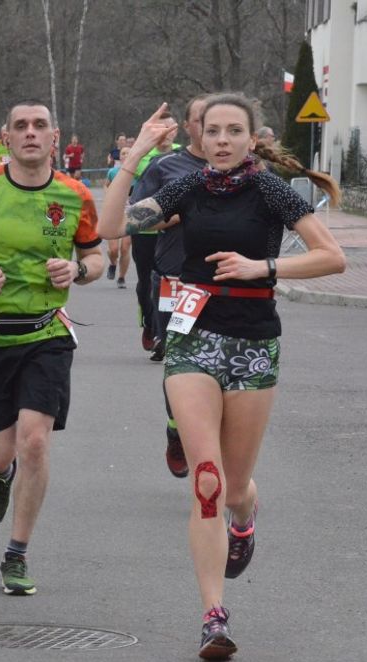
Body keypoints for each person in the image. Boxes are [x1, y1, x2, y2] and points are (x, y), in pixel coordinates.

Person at [97, 95, 345, 661]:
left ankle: (245, 513)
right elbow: (112, 225)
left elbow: (333, 257)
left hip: (254, 343)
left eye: (236, 131)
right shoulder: (186, 189)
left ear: (251, 137)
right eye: (215, 131)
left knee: (234, 487)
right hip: (193, 341)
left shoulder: (272, 192)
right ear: (201, 138)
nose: (225, 140)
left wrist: (267, 267)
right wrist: (136, 154)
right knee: (205, 479)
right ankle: (213, 615)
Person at [0, 100, 102, 595]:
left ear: (56, 137)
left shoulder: (75, 195)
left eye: (40, 125)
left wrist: (77, 270)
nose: (31, 133)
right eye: (21, 127)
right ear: (5, 137)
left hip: (46, 333)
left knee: (35, 439)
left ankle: (17, 552)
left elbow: (96, 255)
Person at [130, 94, 210, 477]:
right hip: (179, 281)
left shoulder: (248, 171)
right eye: (203, 121)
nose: (213, 130)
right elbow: (132, 217)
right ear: (190, 127)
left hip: (229, 286)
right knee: (180, 366)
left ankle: (218, 460)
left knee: (224, 373)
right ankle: (177, 428)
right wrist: (172, 217)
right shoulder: (168, 166)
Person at [129, 111, 179, 357]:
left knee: (170, 281)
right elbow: (133, 196)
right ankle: (150, 324)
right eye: (159, 129)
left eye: (169, 129)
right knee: (146, 283)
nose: (165, 134)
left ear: (176, 131)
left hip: (174, 232)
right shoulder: (142, 157)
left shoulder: (184, 154)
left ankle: (166, 333)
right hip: (146, 232)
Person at [103, 146, 132, 287]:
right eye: (123, 153)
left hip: (130, 213)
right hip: (114, 212)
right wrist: (110, 197)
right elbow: (106, 186)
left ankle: (121, 278)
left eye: (128, 153)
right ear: (120, 157)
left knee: (125, 248)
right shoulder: (113, 172)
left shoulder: (137, 173)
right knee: (113, 250)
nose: (126, 155)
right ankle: (113, 263)